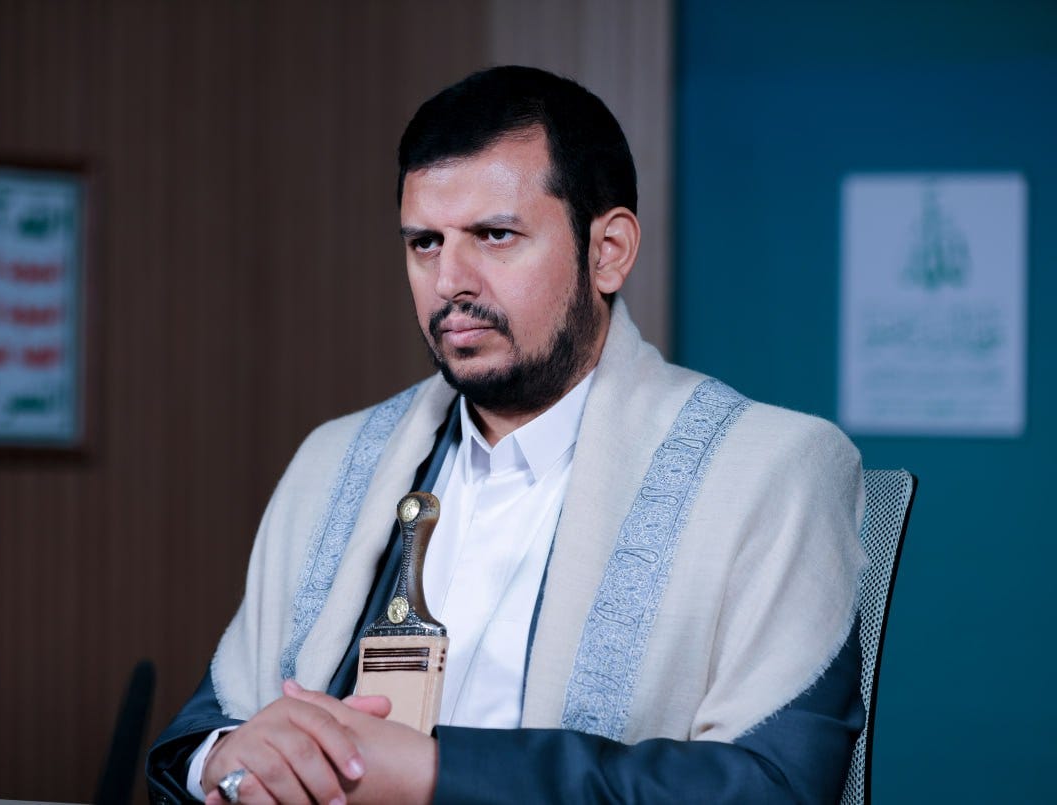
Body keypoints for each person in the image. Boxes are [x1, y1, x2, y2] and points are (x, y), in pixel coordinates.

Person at [147, 65, 867, 805]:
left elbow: (774, 785)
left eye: (495, 236)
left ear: (609, 250)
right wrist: (226, 758)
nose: (450, 281)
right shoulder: (334, 459)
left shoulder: (771, 469)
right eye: (425, 243)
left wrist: (432, 774)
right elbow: (207, 728)